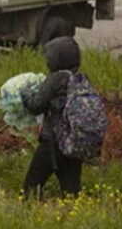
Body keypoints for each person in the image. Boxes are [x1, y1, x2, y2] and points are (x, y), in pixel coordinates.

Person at [21, 36, 85, 199]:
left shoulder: (56, 79)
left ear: (57, 58)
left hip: (52, 143)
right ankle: (74, 220)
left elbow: (35, 106)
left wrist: (25, 92)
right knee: (71, 192)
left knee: (31, 186)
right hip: (73, 142)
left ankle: (28, 219)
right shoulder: (80, 78)